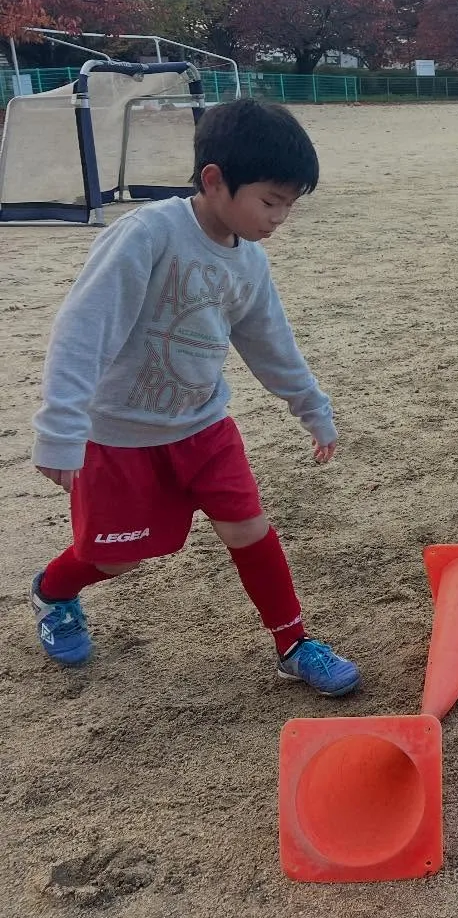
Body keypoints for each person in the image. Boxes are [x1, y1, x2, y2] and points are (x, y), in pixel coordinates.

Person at [28, 99, 360, 697]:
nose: (280, 218)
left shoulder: (249, 262)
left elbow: (271, 344)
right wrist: (60, 430)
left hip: (204, 429)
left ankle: (293, 644)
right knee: (116, 559)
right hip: (120, 437)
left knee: (249, 528)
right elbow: (83, 331)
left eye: (290, 205)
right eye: (270, 201)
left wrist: (312, 408)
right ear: (214, 179)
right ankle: (53, 591)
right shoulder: (148, 235)